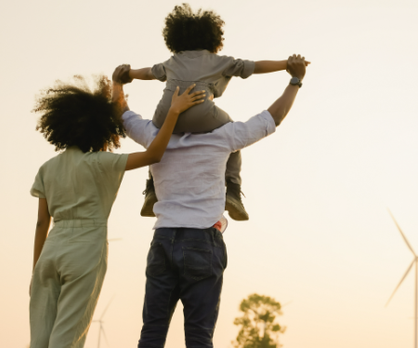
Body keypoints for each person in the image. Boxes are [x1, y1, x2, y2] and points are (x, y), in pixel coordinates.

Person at [114, 54, 307, 348]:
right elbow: (273, 117)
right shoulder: (223, 136)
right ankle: (234, 192)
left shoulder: (154, 136)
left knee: (152, 333)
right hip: (203, 239)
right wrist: (295, 80)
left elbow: (123, 116)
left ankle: (150, 191)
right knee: (199, 337)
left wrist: (117, 83)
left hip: (163, 238)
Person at [29, 74, 205, 348]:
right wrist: (173, 111)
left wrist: (36, 270)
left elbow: (42, 223)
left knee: (39, 341)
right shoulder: (100, 163)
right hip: (85, 248)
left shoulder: (47, 168)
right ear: (101, 129)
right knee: (66, 339)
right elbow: (154, 153)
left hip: (49, 252)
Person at [122, 3, 307, 221]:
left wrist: (129, 74)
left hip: (165, 116)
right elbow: (256, 66)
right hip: (203, 114)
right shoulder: (221, 62)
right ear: (213, 40)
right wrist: (287, 65)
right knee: (232, 133)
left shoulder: (171, 61)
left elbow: (147, 73)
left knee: (155, 138)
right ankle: (233, 189)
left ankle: (151, 187)